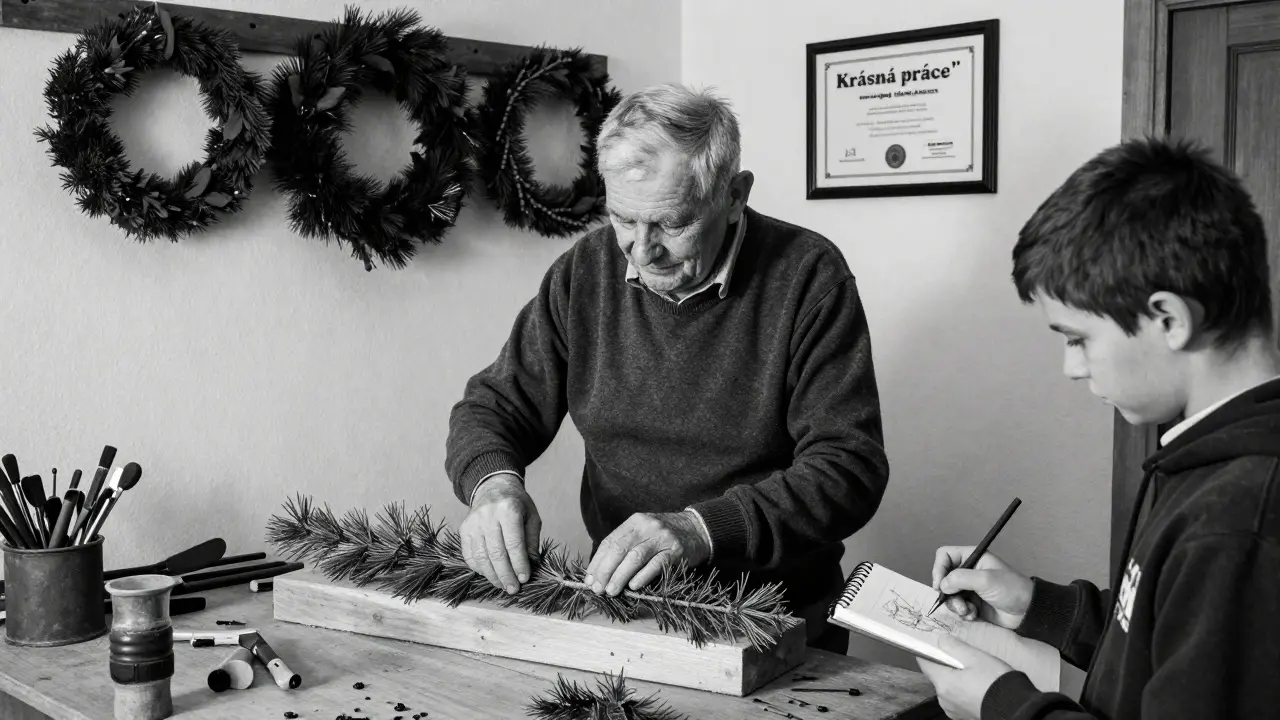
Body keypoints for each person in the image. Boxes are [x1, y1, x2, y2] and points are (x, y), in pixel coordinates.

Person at [444, 83, 889, 652]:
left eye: (672, 224)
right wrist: (493, 485)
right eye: (622, 219)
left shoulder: (808, 276)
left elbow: (849, 468)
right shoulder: (585, 270)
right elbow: (494, 405)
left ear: (734, 195)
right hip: (629, 605)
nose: (640, 249)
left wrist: (701, 529)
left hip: (777, 613)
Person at [917, 137, 1280, 719]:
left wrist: (1002, 704)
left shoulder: (1239, 524)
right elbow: (1164, 637)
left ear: (1169, 319)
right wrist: (1036, 607)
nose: (1071, 368)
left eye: (1078, 339)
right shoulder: (1201, 459)